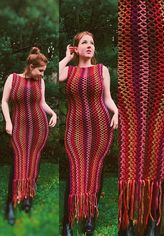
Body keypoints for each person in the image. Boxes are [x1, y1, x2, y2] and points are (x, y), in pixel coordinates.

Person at [59, 31, 118, 236]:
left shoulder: (102, 70)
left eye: (92, 42)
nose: (89, 45)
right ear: (76, 47)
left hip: (99, 125)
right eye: (84, 42)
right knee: (74, 170)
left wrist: (116, 111)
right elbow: (56, 73)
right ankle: (67, 221)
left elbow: (108, 98)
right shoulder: (69, 71)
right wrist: (67, 57)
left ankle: (90, 218)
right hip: (75, 126)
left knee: (96, 170)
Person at [1, 47, 57, 225]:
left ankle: (27, 198)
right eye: (40, 70)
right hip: (18, 126)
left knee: (33, 161)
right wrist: (8, 121)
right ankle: (10, 204)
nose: (42, 74)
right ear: (31, 66)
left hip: (38, 127)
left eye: (44, 71)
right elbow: (4, 101)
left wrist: (53, 113)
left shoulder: (40, 82)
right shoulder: (13, 78)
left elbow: (42, 103)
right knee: (18, 162)